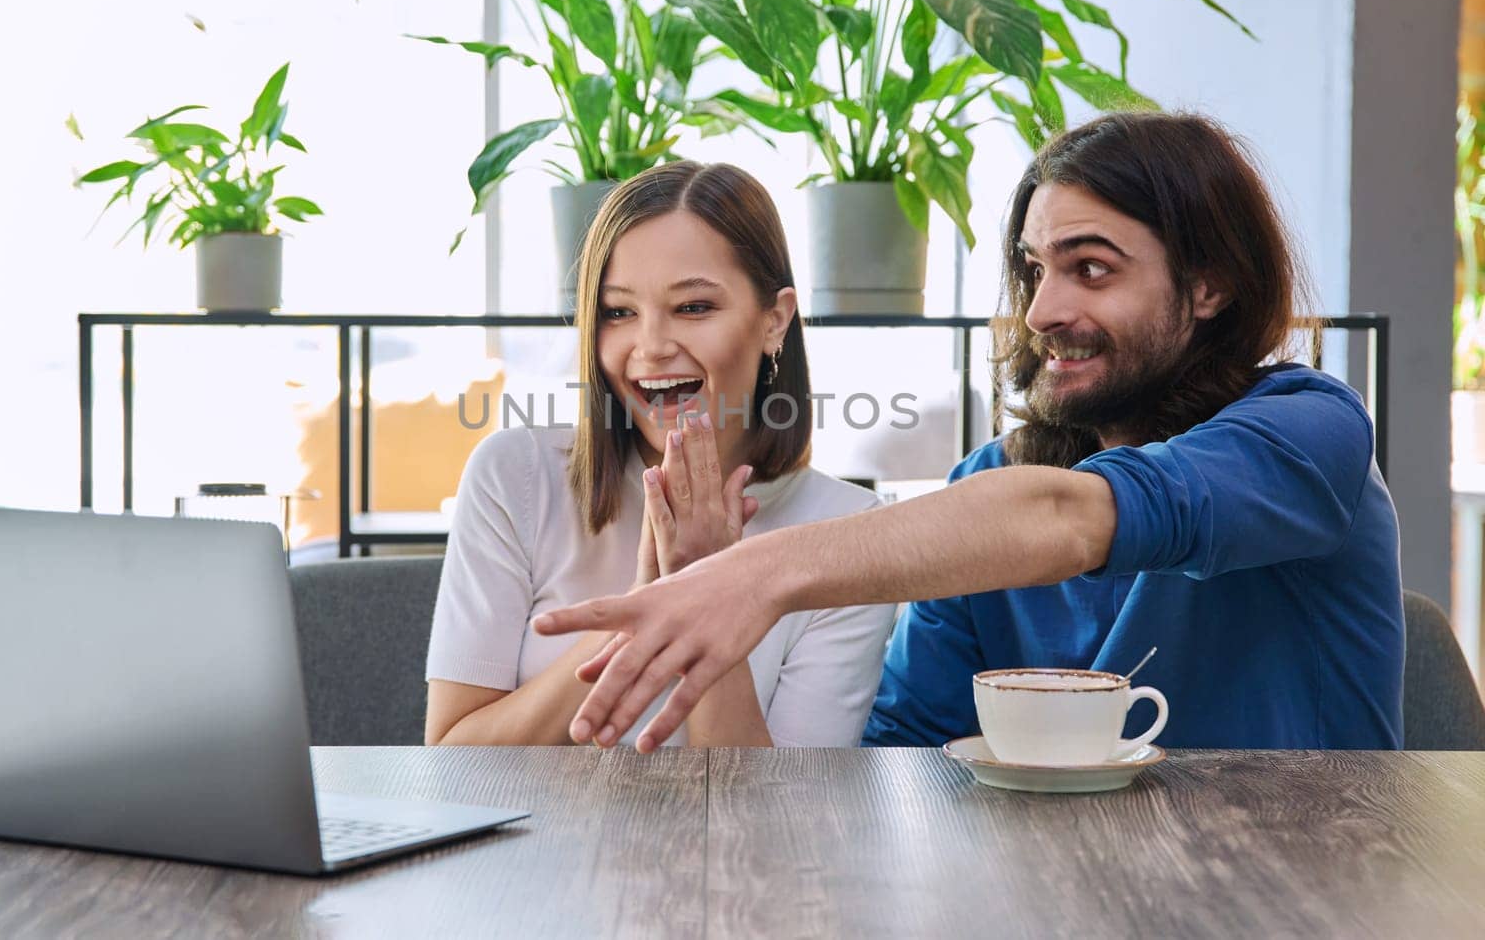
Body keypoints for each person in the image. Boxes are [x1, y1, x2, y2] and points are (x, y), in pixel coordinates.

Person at [534, 112, 1404, 754]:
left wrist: (753, 575)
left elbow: (1081, 516)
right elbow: (890, 774)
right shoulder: (985, 485)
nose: (1044, 310)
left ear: (1210, 284)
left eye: (1090, 269)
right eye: (1033, 270)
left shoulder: (1311, 432)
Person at [424, 161, 896, 748]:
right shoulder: (514, 477)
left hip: (735, 844)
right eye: (619, 312)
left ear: (774, 321)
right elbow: (450, 756)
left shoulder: (848, 533)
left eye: (693, 307)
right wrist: (642, 613)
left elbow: (781, 814)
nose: (650, 347)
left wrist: (707, 593)